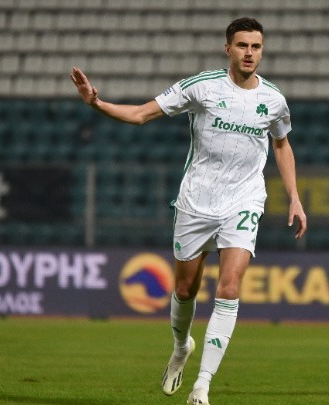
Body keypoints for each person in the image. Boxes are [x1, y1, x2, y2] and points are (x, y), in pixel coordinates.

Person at [71, 17, 307, 405]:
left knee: (229, 287)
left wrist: (294, 196)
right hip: (196, 201)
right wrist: (96, 102)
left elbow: (282, 145)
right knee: (184, 289)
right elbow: (142, 114)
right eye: (242, 45)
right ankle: (181, 347)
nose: (249, 53)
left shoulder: (274, 100)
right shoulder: (202, 87)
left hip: (244, 200)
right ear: (228, 48)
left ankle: (202, 386)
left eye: (256, 46)